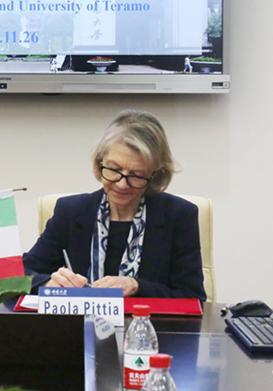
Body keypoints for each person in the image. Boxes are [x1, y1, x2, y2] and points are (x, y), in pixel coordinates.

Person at [22, 110, 206, 300]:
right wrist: (47, 284)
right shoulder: (70, 212)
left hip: (147, 320)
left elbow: (192, 297)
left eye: (136, 175)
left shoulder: (179, 216)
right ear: (99, 162)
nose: (122, 184)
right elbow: (17, 276)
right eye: (114, 169)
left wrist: (137, 286)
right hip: (80, 319)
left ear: (155, 175)